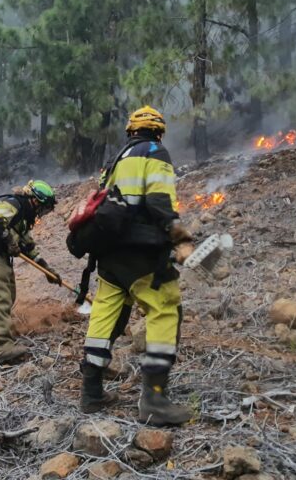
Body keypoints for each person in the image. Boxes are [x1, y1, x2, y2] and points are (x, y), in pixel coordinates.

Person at [80, 106, 195, 426]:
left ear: (131, 131)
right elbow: (159, 200)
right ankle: (155, 399)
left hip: (109, 254)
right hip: (140, 251)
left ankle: (91, 393)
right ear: (158, 131)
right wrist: (176, 231)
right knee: (165, 308)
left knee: (104, 315)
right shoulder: (155, 151)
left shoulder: (115, 160)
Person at [0, 180, 60, 365]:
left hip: (0, 258)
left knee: (7, 296)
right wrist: (9, 241)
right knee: (0, 297)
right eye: (42, 207)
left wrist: (46, 269)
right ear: (35, 200)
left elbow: (28, 246)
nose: (42, 212)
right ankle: (2, 348)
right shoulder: (13, 204)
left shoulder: (24, 217)